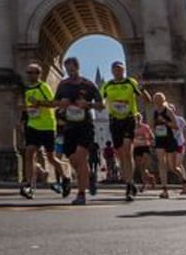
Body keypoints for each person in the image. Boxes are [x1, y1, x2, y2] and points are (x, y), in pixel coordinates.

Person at [53, 57, 105, 204]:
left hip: (85, 126)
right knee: (74, 161)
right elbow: (55, 103)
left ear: (77, 67)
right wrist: (60, 105)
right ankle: (90, 177)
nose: (70, 72)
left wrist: (87, 104)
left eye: (72, 69)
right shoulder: (62, 85)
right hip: (69, 128)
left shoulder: (89, 84)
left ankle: (81, 194)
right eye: (67, 70)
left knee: (81, 159)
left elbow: (102, 105)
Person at [101, 61, 151, 201]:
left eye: (121, 70)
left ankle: (129, 184)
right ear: (112, 71)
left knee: (128, 151)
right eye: (116, 70)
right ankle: (130, 180)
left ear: (124, 70)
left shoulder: (131, 82)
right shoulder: (107, 85)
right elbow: (101, 102)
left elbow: (147, 100)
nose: (119, 72)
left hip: (129, 119)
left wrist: (143, 88)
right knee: (122, 154)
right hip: (114, 120)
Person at [20, 64, 69, 198]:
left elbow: (54, 103)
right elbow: (29, 107)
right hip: (32, 125)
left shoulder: (44, 87)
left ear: (38, 74)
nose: (29, 75)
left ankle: (65, 177)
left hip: (47, 126)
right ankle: (30, 186)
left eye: (32, 72)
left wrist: (39, 103)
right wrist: (24, 110)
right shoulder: (26, 90)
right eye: (28, 72)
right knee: (29, 153)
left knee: (51, 157)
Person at [150, 93, 186, 198]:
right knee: (162, 163)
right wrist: (153, 135)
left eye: (159, 99)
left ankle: (184, 182)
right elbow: (153, 125)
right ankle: (164, 190)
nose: (157, 101)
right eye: (155, 99)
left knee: (173, 167)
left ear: (163, 100)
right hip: (159, 139)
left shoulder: (168, 111)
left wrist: (165, 122)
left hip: (169, 139)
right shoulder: (154, 112)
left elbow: (175, 126)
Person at [132, 113, 156, 192]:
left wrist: (148, 140)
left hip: (145, 147)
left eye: (138, 119)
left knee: (143, 165)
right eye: (135, 119)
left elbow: (152, 137)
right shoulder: (131, 128)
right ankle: (150, 177)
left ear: (140, 120)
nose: (137, 121)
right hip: (136, 148)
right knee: (141, 168)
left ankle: (144, 185)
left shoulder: (145, 127)